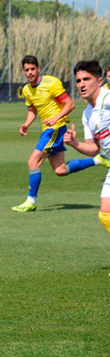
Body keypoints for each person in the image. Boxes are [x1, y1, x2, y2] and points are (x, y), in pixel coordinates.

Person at [12, 55, 100, 212]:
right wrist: (26, 124)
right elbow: (32, 111)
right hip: (49, 129)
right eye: (27, 70)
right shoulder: (27, 90)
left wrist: (56, 118)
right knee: (60, 170)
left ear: (38, 69)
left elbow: (69, 104)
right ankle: (99, 160)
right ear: (24, 72)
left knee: (33, 162)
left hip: (56, 128)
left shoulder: (51, 83)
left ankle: (31, 201)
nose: (30, 72)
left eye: (33, 69)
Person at [64, 60, 110, 234]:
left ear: (99, 81)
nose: (82, 84)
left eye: (86, 79)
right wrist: (75, 143)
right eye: (78, 81)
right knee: (105, 214)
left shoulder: (107, 98)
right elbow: (93, 148)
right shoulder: (87, 114)